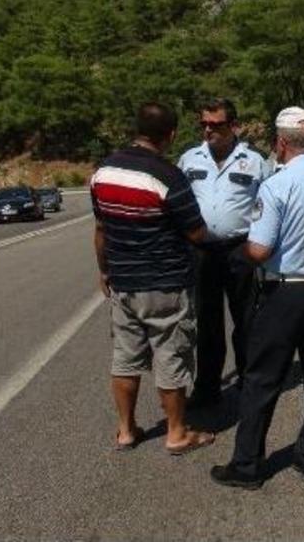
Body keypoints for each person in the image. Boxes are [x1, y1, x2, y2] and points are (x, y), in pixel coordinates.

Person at [210, 106, 304, 489]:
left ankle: (247, 465)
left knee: (262, 377)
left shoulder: (277, 185)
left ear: (281, 142)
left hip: (287, 291)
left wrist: (238, 254)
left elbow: (259, 250)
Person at [90, 102, 216, 455]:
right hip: (165, 283)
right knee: (170, 354)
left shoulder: (104, 171)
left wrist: (104, 270)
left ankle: (126, 430)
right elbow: (196, 233)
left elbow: (100, 229)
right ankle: (176, 433)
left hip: (124, 282)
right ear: (171, 134)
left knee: (125, 358)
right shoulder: (167, 176)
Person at [178, 98, 271, 408]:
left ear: (234, 126)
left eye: (215, 124)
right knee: (207, 322)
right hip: (202, 252)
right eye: (203, 123)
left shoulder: (256, 161)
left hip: (239, 250)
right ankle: (207, 388)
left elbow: (268, 206)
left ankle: (249, 382)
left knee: (246, 320)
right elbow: (179, 205)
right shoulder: (189, 159)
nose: (208, 130)